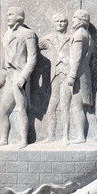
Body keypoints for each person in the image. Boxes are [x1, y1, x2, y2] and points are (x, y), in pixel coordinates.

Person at [0, 6, 38, 149]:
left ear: (19, 16)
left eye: (10, 14)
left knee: (21, 109)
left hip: (19, 75)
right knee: (3, 111)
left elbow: (32, 58)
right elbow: (6, 60)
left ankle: (24, 140)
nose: (8, 17)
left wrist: (23, 77)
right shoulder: (6, 34)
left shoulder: (28, 33)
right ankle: (4, 139)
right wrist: (1, 80)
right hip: (10, 77)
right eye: (7, 14)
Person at [38, 13, 71, 142]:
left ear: (66, 24)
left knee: (65, 105)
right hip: (54, 75)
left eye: (62, 21)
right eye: (57, 21)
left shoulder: (71, 38)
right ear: (53, 23)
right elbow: (35, 48)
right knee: (52, 106)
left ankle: (65, 136)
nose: (59, 24)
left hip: (67, 74)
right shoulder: (48, 39)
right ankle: (51, 135)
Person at [66, 9, 93, 144]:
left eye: (75, 18)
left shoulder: (79, 35)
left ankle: (81, 136)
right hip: (84, 73)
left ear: (81, 20)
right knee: (84, 106)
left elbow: (76, 57)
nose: (72, 20)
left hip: (79, 75)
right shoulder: (87, 34)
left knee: (77, 106)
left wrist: (72, 75)